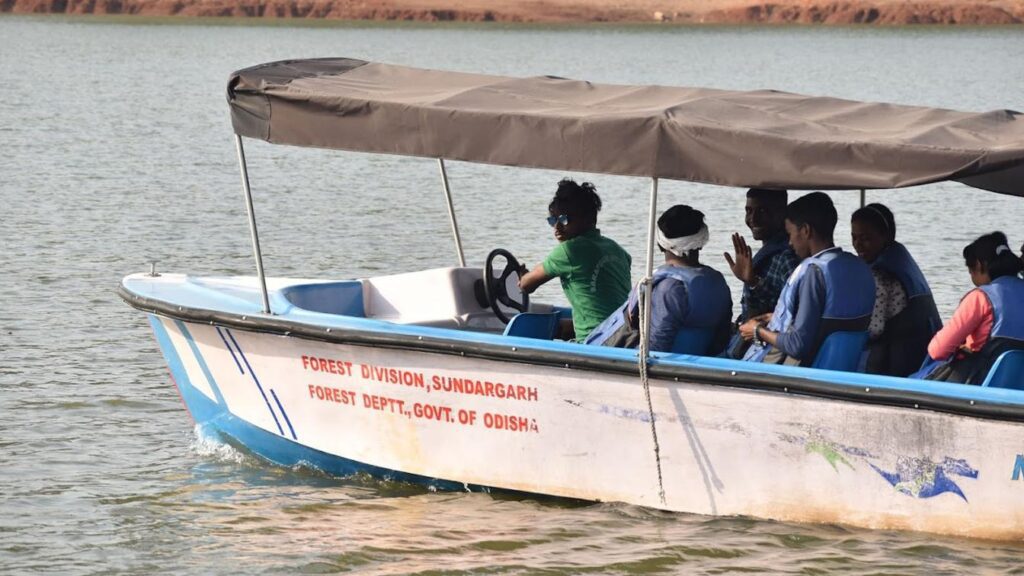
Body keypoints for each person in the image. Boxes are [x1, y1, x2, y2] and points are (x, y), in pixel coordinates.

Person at [739, 192, 875, 367]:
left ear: (805, 230)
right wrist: (776, 317)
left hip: (801, 375)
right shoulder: (859, 267)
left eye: (790, 234)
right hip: (841, 370)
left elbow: (797, 346)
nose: (789, 243)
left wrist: (757, 331)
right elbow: (830, 318)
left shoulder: (814, 272)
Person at [586, 205, 732, 354]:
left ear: (661, 244)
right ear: (700, 243)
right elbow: (721, 339)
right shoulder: (718, 282)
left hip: (657, 366)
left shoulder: (669, 288)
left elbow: (656, 348)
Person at [518, 178, 632, 342]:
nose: (557, 227)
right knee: (562, 326)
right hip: (624, 336)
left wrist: (523, 277)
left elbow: (526, 285)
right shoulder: (617, 250)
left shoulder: (569, 250)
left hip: (596, 342)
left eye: (564, 219)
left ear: (588, 219)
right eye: (553, 220)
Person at [917, 232, 1024, 384]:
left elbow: (937, 351)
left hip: (978, 385)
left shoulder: (980, 298)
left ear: (979, 265)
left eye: (970, 271)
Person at [851, 203, 942, 376]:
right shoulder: (901, 259)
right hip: (926, 357)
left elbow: (874, 329)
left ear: (885, 236)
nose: (858, 245)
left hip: (900, 363)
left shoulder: (880, 274)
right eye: (854, 237)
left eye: (866, 238)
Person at [721, 188, 800, 358]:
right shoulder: (769, 252)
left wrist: (753, 282)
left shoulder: (786, 257)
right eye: (749, 211)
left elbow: (792, 311)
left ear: (782, 213)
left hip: (764, 348)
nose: (753, 219)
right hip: (748, 339)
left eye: (762, 211)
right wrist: (751, 281)